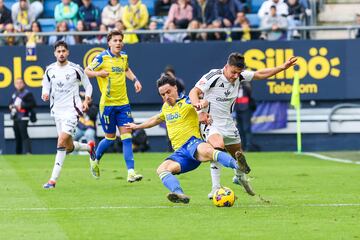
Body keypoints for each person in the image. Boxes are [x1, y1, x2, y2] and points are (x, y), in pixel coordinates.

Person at [125, 74, 249, 204]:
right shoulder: (166, 108)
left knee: (208, 151)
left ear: (175, 88)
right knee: (162, 169)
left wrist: (202, 106)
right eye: (162, 94)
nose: (166, 97)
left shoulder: (187, 102)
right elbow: (156, 119)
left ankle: (238, 165)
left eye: (168, 92)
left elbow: (202, 103)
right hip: (180, 153)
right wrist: (137, 126)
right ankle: (179, 193)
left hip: (193, 143)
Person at [189, 52, 297, 198]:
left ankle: (239, 177)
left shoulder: (240, 76)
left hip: (228, 123)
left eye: (238, 73)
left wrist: (282, 67)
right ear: (226, 67)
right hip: (210, 122)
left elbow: (260, 74)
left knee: (238, 154)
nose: (235, 76)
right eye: (233, 72)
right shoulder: (213, 76)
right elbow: (194, 91)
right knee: (217, 147)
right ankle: (215, 188)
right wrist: (199, 110)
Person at [84, 29, 143, 182]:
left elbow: (126, 69)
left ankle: (131, 172)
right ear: (109, 43)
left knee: (127, 137)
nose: (118, 43)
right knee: (110, 138)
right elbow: (87, 71)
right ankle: (94, 159)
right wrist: (98, 74)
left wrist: (135, 80)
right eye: (115, 40)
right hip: (107, 105)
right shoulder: (102, 57)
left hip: (123, 104)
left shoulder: (124, 56)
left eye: (120, 40)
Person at [41, 40, 95, 189]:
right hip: (57, 111)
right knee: (68, 146)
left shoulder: (75, 69)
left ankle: (52, 180)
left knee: (61, 142)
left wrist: (86, 100)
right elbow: (45, 85)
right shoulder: (49, 70)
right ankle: (89, 148)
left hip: (72, 110)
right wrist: (45, 93)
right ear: (55, 53)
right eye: (58, 51)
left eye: (63, 51)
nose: (61, 54)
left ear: (68, 52)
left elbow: (88, 86)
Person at [9, 78, 36, 154]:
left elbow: (33, 104)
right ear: (15, 85)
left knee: (24, 135)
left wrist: (22, 106)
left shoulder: (27, 93)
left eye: (20, 83)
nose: (19, 84)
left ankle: (28, 152)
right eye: (17, 83)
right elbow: (10, 103)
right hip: (16, 117)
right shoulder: (15, 94)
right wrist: (11, 106)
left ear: (23, 84)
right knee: (17, 136)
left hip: (24, 117)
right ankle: (18, 153)